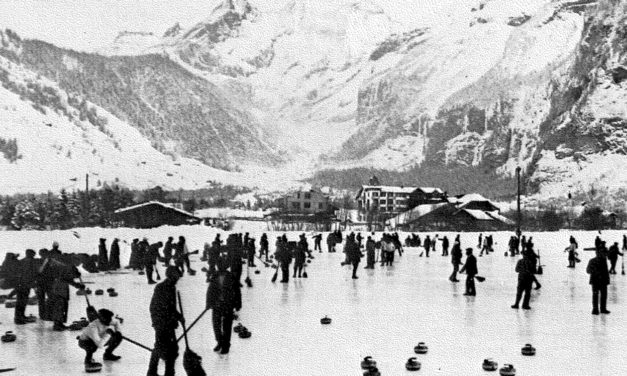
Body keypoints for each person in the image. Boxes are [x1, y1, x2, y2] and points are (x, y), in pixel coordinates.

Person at [147, 266, 184, 376]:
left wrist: (178, 316)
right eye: (177, 275)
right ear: (172, 275)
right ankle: (164, 373)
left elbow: (170, 307)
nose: (178, 278)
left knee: (164, 348)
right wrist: (175, 318)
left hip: (165, 323)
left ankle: (153, 372)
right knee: (167, 349)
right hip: (162, 323)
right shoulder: (163, 288)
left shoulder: (170, 287)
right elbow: (161, 307)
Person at [206, 257, 242, 354]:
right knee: (216, 325)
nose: (219, 266)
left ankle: (226, 345)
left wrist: (238, 303)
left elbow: (237, 290)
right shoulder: (214, 276)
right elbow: (210, 290)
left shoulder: (231, 276)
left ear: (226, 266)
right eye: (219, 264)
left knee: (227, 326)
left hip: (228, 304)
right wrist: (208, 303)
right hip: (216, 305)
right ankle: (220, 342)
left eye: (222, 264)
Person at [14, 249, 39, 324]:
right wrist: (34, 286)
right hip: (25, 285)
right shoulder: (29, 262)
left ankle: (20, 316)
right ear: (30, 254)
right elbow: (29, 275)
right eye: (33, 255)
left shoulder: (21, 261)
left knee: (20, 302)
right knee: (22, 302)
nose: (34, 256)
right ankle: (19, 319)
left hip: (20, 284)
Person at [586, 248, 611, 315]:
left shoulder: (604, 261)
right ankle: (595, 309)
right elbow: (588, 270)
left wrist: (607, 280)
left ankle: (602, 309)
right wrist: (596, 273)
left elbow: (606, 272)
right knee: (595, 295)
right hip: (595, 281)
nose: (605, 255)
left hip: (603, 281)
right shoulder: (592, 260)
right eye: (604, 253)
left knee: (603, 295)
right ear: (599, 253)